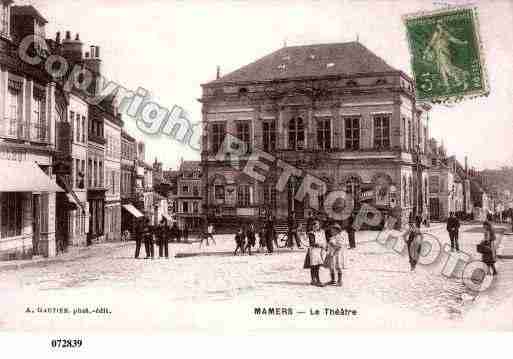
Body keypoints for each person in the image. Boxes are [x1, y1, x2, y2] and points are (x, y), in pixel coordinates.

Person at [306, 220, 327, 286]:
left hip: (320, 251)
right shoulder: (311, 233)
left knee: (317, 266)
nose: (316, 227)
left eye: (317, 226)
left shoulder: (321, 232)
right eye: (314, 226)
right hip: (314, 251)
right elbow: (312, 242)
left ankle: (315, 280)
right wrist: (319, 245)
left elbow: (324, 240)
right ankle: (315, 280)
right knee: (314, 266)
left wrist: (325, 246)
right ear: (312, 226)